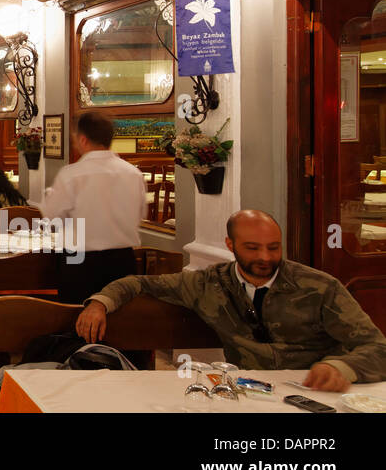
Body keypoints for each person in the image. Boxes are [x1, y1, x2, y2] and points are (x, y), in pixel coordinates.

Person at [78, 210, 386, 390]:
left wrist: (343, 368)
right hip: (251, 393)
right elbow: (140, 283)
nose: (265, 258)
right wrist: (100, 302)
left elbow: (378, 348)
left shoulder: (320, 288)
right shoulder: (207, 283)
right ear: (230, 244)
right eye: (252, 248)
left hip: (317, 392)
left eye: (273, 247)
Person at [41, 113, 145, 303]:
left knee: (78, 319)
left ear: (83, 139)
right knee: (120, 321)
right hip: (123, 259)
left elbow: (51, 217)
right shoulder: (134, 174)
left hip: (80, 261)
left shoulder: (71, 175)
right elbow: (140, 215)